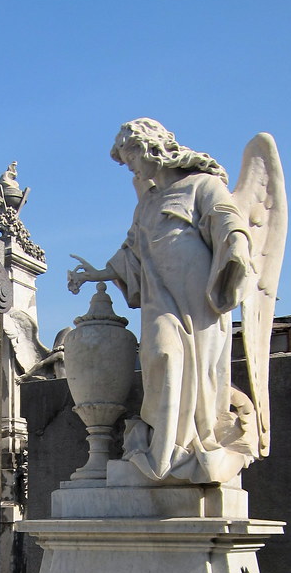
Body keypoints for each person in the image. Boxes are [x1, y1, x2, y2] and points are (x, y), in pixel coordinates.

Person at [68, 118, 261, 485]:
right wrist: (97, 274)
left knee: (198, 369)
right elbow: (132, 251)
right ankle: (165, 450)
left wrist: (235, 242)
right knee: (162, 355)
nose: (130, 168)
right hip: (160, 297)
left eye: (130, 158)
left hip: (198, 298)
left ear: (148, 149)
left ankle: (193, 444)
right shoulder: (146, 205)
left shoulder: (202, 185)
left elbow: (226, 218)